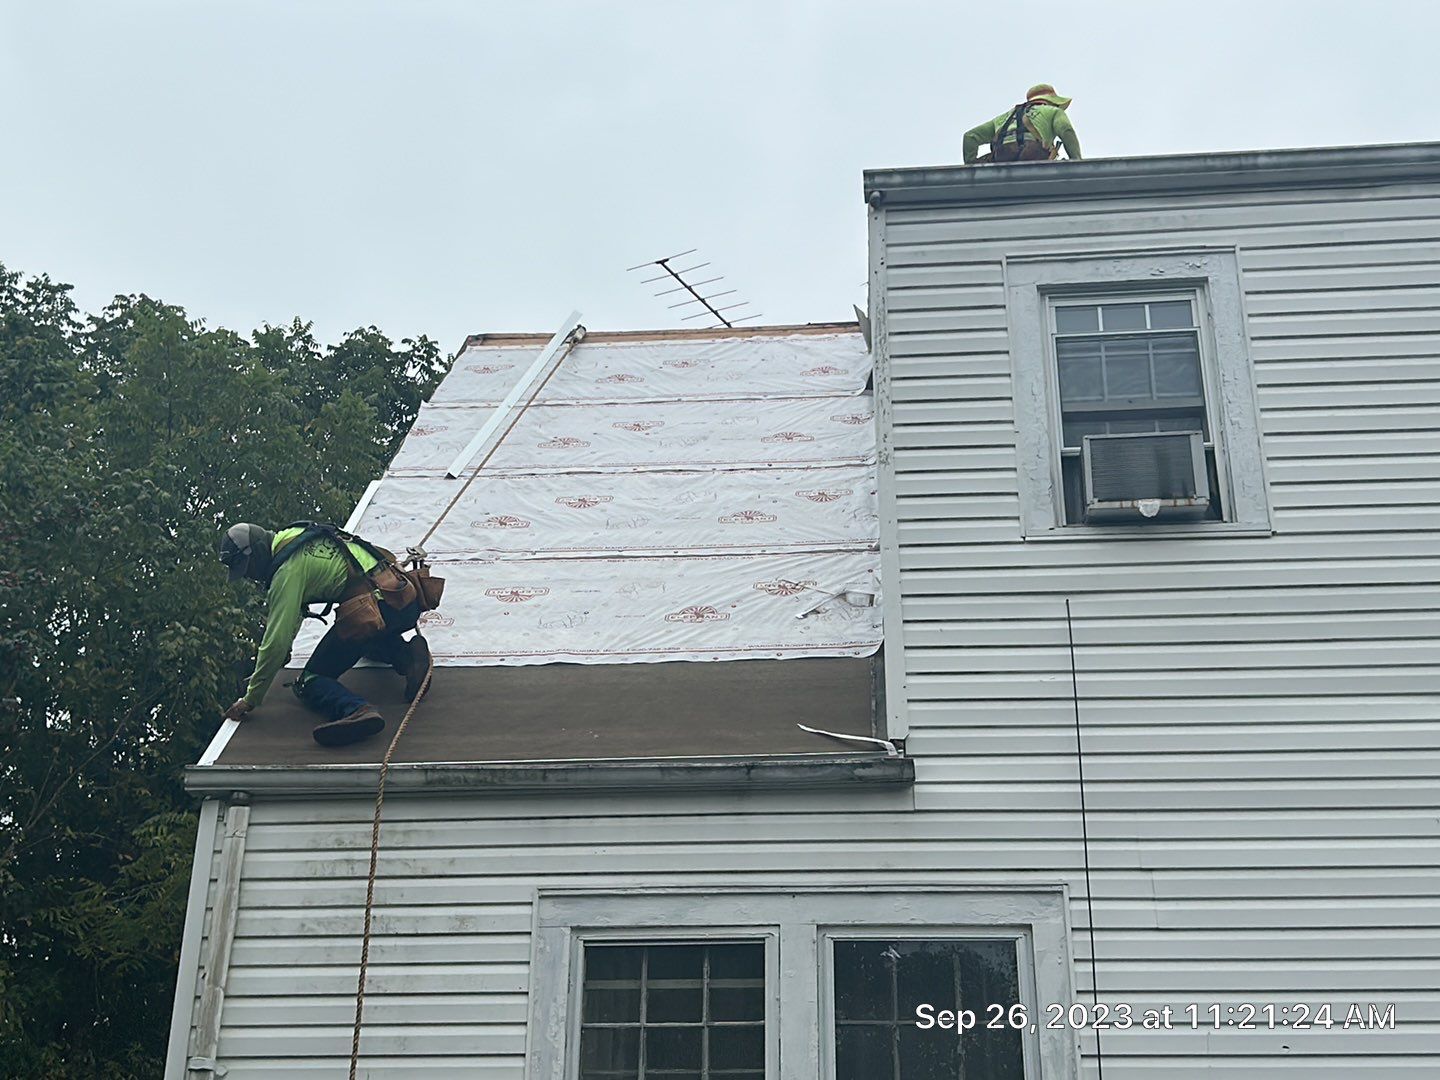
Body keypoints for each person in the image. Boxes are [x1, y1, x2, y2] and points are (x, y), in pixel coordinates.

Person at [218, 522, 431, 746]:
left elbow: (275, 642)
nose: (250, 576)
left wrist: (251, 698)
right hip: (403, 599)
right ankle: (409, 658)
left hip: (374, 610)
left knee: (311, 680)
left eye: (248, 568)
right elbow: (294, 615)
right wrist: (279, 657)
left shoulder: (287, 571)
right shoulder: (295, 536)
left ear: (258, 553)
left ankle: (357, 710)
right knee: (366, 645)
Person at [963, 84, 1081, 165]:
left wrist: (972, 168)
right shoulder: (1053, 111)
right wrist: (1076, 161)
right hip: (1033, 152)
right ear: (1052, 102)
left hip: (1003, 155)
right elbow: (1066, 131)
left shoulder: (1004, 117)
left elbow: (970, 137)